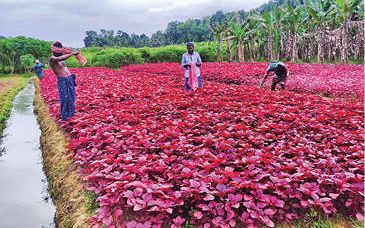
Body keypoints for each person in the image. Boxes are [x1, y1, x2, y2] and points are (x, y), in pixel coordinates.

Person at [49, 41, 86, 121]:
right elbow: (60, 58)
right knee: (65, 99)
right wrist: (72, 54)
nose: (61, 53)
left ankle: (71, 114)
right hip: (63, 80)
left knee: (71, 98)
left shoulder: (62, 59)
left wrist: (74, 53)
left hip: (69, 79)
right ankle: (65, 117)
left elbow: (65, 55)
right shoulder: (52, 59)